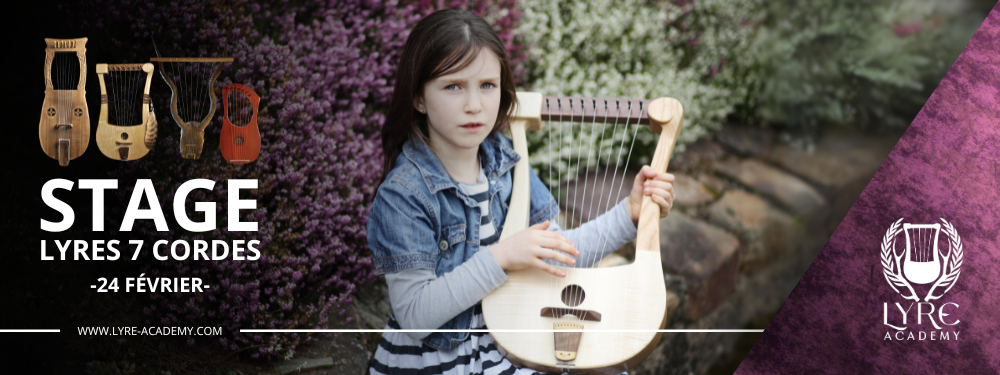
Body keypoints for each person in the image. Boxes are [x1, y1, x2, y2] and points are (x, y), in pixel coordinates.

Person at [367, 8, 675, 375]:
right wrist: (502, 257)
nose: (474, 105)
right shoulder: (404, 194)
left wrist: (630, 212)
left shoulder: (505, 164)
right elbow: (415, 315)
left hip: (505, 347)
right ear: (419, 98)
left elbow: (559, 256)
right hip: (436, 362)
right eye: (453, 86)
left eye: (487, 85)